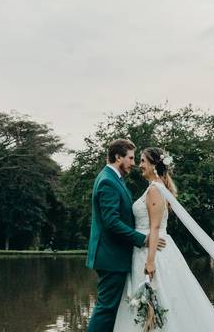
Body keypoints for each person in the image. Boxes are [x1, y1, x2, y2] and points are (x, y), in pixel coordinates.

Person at [112, 146, 214, 331]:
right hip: (146, 248)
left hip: (152, 252)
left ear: (153, 165)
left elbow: (155, 227)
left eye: (143, 161)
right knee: (154, 300)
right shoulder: (155, 187)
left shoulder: (154, 190)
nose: (139, 165)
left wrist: (150, 262)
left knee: (159, 298)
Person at [87, 139, 166, 332]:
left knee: (110, 308)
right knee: (106, 309)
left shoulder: (114, 179)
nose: (133, 163)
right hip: (110, 256)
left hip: (114, 255)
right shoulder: (108, 181)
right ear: (118, 157)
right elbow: (111, 222)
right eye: (130, 158)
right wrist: (142, 239)